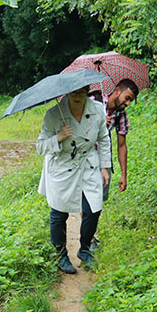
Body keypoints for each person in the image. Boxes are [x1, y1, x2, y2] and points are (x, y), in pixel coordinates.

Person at [36, 86, 111, 274]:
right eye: (73, 92)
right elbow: (40, 147)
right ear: (67, 93)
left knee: (93, 208)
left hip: (88, 164)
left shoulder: (97, 110)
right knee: (59, 213)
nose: (77, 96)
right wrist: (59, 137)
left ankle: (84, 249)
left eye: (81, 92)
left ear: (87, 91)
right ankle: (61, 255)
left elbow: (103, 138)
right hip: (62, 167)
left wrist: (104, 167)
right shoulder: (54, 115)